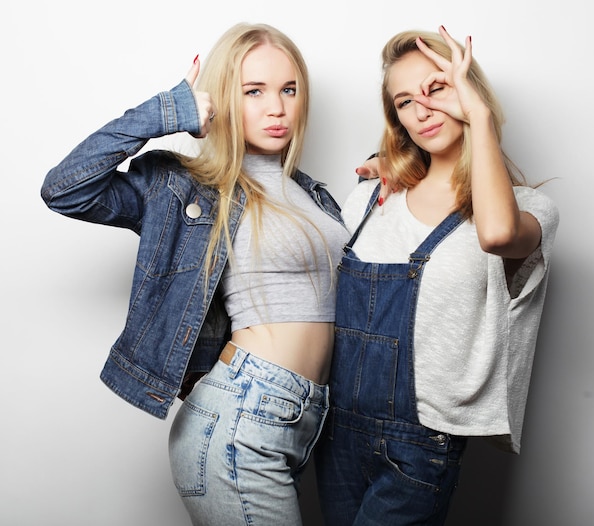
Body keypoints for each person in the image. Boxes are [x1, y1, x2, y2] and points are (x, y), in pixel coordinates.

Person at [41, 23, 349, 526]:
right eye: (255, 91)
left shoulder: (315, 196)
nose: (277, 107)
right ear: (223, 97)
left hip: (303, 420)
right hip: (241, 418)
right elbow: (64, 190)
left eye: (289, 89)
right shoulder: (188, 188)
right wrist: (167, 112)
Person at [314, 25, 559, 525]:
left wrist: (480, 118)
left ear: (469, 90)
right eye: (404, 101)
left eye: (437, 87)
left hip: (421, 442)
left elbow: (495, 234)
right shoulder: (368, 198)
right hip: (335, 428)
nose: (421, 110)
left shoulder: (528, 211)